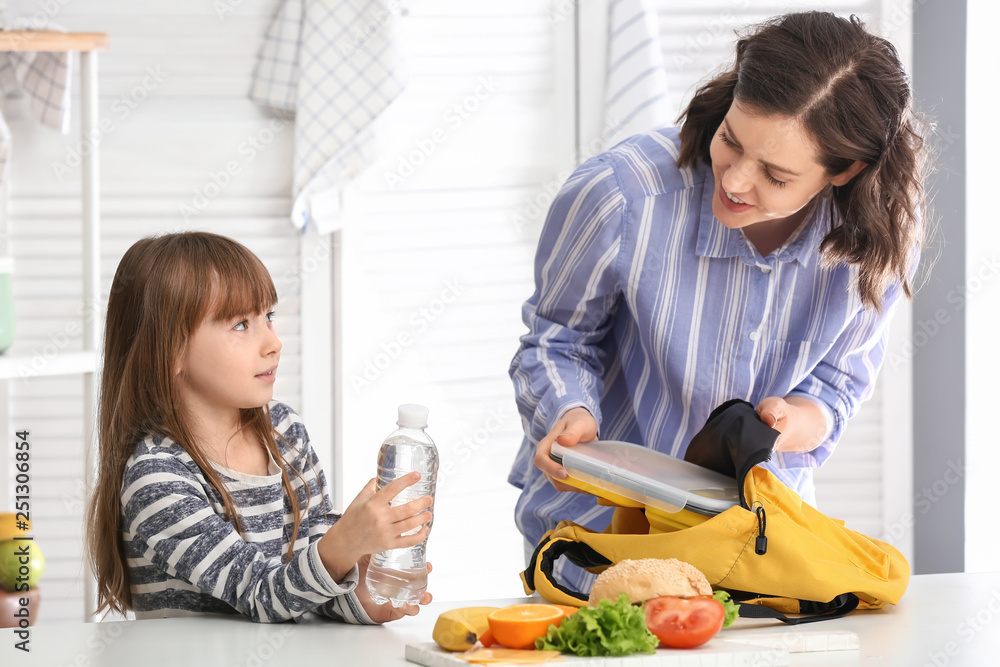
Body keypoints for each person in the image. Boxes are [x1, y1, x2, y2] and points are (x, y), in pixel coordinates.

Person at [508, 11, 929, 590]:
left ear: (846, 169)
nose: (733, 182)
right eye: (730, 140)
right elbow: (557, 340)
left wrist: (791, 422)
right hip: (593, 546)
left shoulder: (873, 242)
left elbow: (836, 386)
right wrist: (569, 413)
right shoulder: (621, 195)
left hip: (754, 554)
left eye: (775, 175)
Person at [86, 231, 433, 623]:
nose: (273, 342)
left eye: (267, 317)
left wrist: (363, 597)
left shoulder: (285, 433)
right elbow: (262, 594)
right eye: (240, 325)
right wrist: (344, 545)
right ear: (170, 352)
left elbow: (304, 587)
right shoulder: (156, 478)